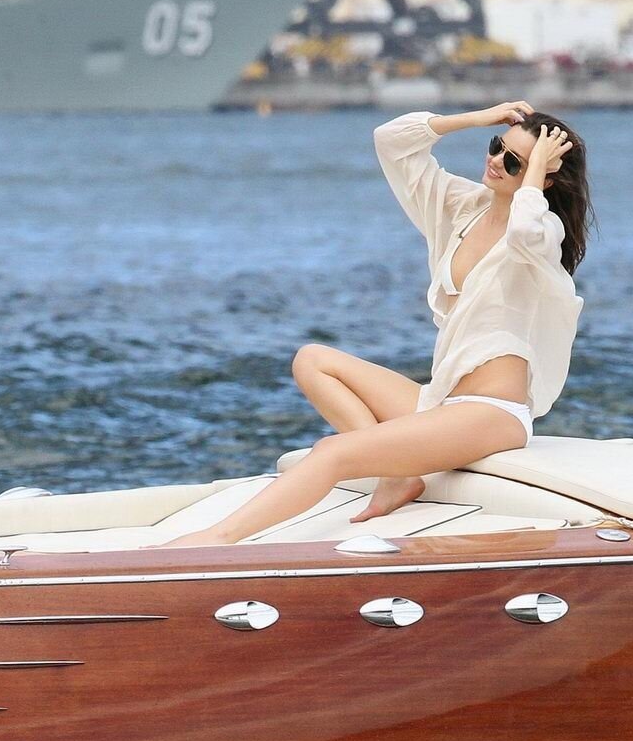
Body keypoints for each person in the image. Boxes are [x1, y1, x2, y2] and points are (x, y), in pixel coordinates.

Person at [166, 103, 589, 547]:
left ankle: (214, 540)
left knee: (333, 452)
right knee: (312, 359)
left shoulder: (544, 232)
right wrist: (478, 118)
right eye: (496, 146)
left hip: (493, 413)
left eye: (514, 162)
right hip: (442, 401)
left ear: (544, 178)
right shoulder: (465, 207)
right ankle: (398, 476)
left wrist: (537, 169)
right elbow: (391, 141)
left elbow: (523, 231)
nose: (496, 161)